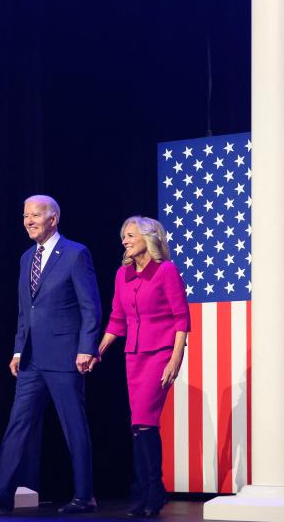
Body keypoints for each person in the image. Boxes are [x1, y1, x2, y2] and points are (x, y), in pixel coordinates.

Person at [0, 195, 101, 513]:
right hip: (31, 360)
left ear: (53, 218)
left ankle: (85, 496)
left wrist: (87, 348)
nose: (28, 220)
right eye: (25, 215)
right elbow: (24, 311)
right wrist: (18, 350)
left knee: (74, 426)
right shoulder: (26, 257)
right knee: (18, 422)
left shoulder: (75, 254)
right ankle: (2, 491)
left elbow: (91, 306)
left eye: (35, 214)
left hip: (66, 357)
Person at [94, 216, 190, 517]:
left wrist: (176, 359)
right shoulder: (122, 275)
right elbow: (117, 319)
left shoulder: (166, 271)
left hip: (160, 353)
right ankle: (148, 491)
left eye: (130, 235)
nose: (124, 240)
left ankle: (152, 491)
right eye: (124, 235)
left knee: (145, 419)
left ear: (149, 237)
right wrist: (97, 350)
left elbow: (181, 319)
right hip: (133, 355)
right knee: (139, 423)